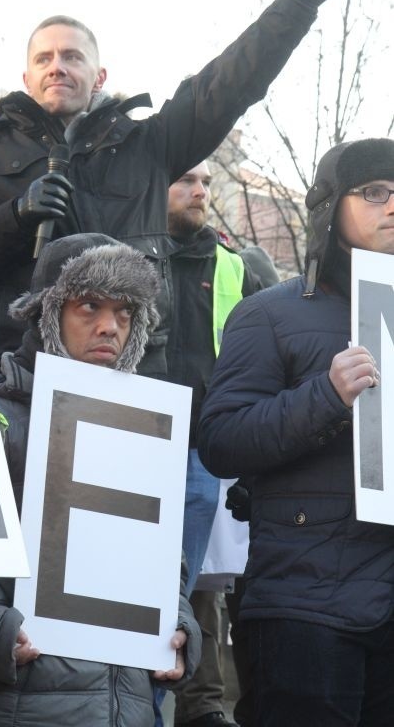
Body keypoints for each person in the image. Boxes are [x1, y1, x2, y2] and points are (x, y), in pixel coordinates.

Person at [0, 0, 337, 377]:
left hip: (134, 380)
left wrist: (297, 4)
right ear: (27, 78)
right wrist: (15, 217)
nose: (57, 67)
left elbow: (225, 87)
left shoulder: (149, 146)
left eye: (71, 56)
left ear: (99, 76)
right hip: (20, 377)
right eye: (43, 59)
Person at [0, 232, 202, 727]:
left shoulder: (145, 426)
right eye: (90, 306)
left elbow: (165, 562)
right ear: (47, 314)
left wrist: (178, 627)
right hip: (11, 700)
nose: (109, 326)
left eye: (125, 313)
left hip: (124, 706)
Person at [197, 138, 394, 727]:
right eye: (376, 192)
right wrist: (325, 396)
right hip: (306, 604)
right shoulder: (271, 312)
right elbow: (221, 438)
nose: (393, 207)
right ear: (329, 206)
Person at [152, 161, 261, 727]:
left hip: (203, 449)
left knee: (186, 591)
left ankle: (176, 706)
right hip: (136, 443)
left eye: (207, 182)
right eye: (186, 180)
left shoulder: (234, 266)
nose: (199, 192)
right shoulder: (131, 249)